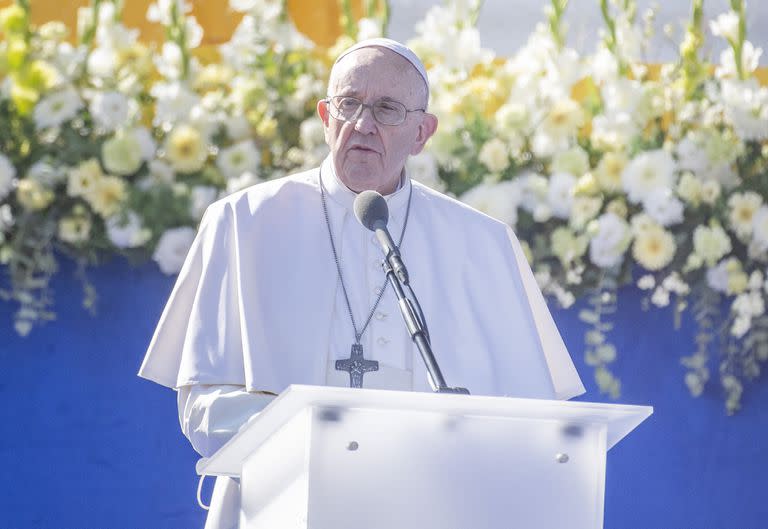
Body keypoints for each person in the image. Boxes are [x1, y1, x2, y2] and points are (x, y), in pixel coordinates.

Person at [139, 38, 584, 529]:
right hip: (281, 504)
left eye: (388, 109)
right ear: (325, 117)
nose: (363, 124)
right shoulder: (244, 222)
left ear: (423, 132)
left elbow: (530, 422)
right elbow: (202, 403)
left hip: (430, 510)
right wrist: (323, 438)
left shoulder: (482, 244)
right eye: (349, 104)